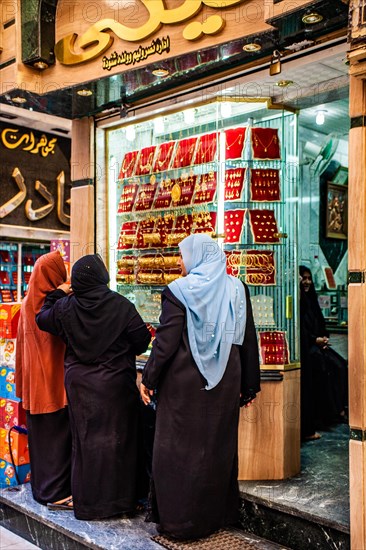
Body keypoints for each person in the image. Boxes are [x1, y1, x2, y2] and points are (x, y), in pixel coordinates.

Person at [140, 234, 260, 540]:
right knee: (217, 448)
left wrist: (148, 379)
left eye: (182, 256)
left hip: (185, 385)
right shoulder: (237, 287)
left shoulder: (178, 291)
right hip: (226, 381)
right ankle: (215, 516)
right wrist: (249, 384)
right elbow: (247, 338)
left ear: (195, 257)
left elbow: (165, 344)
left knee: (177, 451)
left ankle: (180, 522)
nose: (179, 262)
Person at [36, 254, 151, 520]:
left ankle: (89, 505)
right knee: (120, 442)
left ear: (77, 281)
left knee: (85, 444)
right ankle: (122, 503)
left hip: (81, 387)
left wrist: (57, 293)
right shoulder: (122, 306)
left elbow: (42, 318)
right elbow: (142, 341)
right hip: (116, 386)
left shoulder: (66, 307)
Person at [15, 251, 72, 507]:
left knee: (40, 442)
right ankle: (57, 495)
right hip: (53, 383)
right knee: (57, 442)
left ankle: (42, 490)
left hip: (34, 387)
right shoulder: (53, 306)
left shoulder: (29, 302)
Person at [299, 265, 348, 441]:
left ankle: (339, 409)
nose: (306, 282)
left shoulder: (311, 300)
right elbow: (301, 330)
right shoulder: (301, 302)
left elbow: (320, 324)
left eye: (308, 278)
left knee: (341, 365)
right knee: (323, 367)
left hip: (318, 346)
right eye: (303, 278)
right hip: (308, 347)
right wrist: (315, 340)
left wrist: (323, 339)